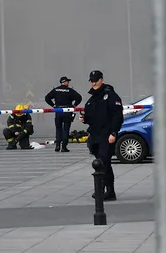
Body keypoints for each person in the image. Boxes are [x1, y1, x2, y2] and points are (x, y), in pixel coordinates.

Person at [83, 69, 123, 201]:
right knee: (103, 164)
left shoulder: (110, 95)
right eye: (91, 81)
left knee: (103, 162)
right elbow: (91, 116)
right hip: (95, 135)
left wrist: (113, 132)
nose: (93, 83)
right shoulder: (93, 97)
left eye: (96, 80)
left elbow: (117, 116)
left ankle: (104, 190)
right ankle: (108, 190)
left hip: (107, 135)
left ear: (102, 80)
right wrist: (85, 119)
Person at [45, 76, 83, 153]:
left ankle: (57, 145)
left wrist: (53, 105)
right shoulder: (70, 90)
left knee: (58, 128)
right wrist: (74, 105)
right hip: (67, 111)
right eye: (67, 81)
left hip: (58, 111)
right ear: (65, 82)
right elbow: (79, 97)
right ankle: (64, 147)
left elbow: (47, 98)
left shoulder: (56, 90)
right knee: (66, 129)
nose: (68, 83)